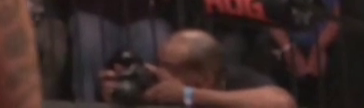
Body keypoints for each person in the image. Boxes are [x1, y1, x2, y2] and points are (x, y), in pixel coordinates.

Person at [102, 29, 296, 108]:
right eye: (160, 64)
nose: (161, 72)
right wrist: (125, 94)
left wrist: (188, 95)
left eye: (170, 68)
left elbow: (283, 102)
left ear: (205, 78)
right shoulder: (157, 85)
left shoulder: (239, 80)